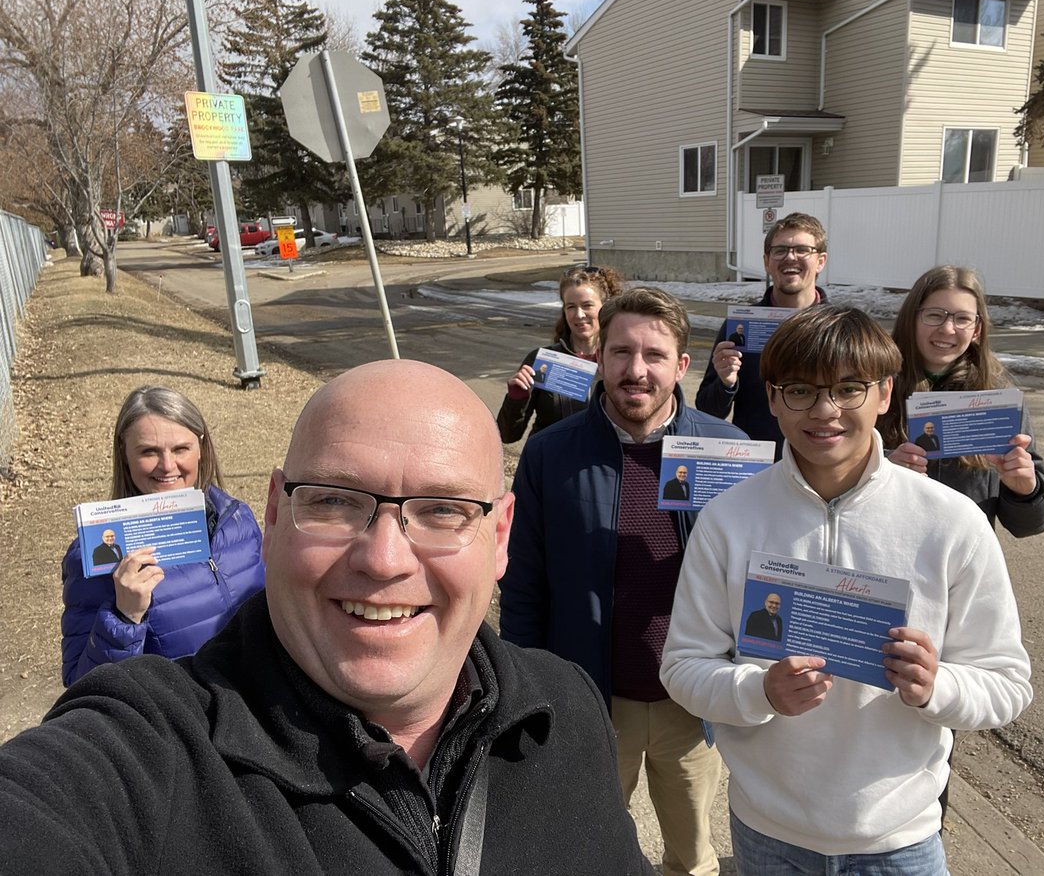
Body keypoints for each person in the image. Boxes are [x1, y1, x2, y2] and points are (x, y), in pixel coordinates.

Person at [0, 361, 652, 875]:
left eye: (443, 509)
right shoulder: (146, 760)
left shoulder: (568, 710)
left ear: (501, 534)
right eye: (336, 501)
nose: (384, 558)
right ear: (276, 517)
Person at [661, 305, 1033, 874]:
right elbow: (684, 667)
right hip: (768, 835)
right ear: (775, 398)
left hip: (900, 842)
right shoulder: (727, 519)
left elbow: (1006, 685)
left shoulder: (951, 522)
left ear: (885, 393)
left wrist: (939, 685)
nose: (825, 412)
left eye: (849, 389)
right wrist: (761, 693)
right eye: (801, 391)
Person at [502, 288, 746, 876]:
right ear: (600, 358)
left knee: (691, 858)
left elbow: (757, 572)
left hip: (689, 701)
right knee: (584, 853)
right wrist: (532, 687)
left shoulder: (728, 451)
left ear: (682, 365)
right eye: (621, 353)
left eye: (654, 355)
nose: (636, 370)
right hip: (590, 700)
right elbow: (524, 585)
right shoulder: (551, 454)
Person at [60, 386, 264, 687]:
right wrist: (124, 616)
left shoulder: (236, 520)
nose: (168, 466)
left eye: (180, 449)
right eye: (148, 452)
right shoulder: (96, 554)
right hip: (188, 723)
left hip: (265, 707)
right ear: (124, 455)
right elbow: (83, 687)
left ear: (201, 448)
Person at [878, 266, 1044, 537]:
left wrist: (1025, 489)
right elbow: (830, 480)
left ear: (976, 330)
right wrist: (882, 471)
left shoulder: (997, 401)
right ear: (911, 319)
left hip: (964, 566)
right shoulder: (871, 388)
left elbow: (1029, 525)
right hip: (886, 556)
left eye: (962, 319)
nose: (947, 329)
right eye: (934, 315)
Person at [696, 212, 829, 459]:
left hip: (820, 462)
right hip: (757, 463)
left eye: (802, 249)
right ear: (767, 261)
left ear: (820, 261)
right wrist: (726, 382)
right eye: (780, 250)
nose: (790, 257)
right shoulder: (740, 327)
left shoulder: (839, 327)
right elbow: (707, 409)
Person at [497, 264, 624, 443]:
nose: (579, 315)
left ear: (605, 307)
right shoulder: (542, 360)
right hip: (551, 465)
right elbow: (507, 435)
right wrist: (516, 398)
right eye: (571, 306)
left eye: (587, 305)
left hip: (599, 465)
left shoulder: (621, 360)